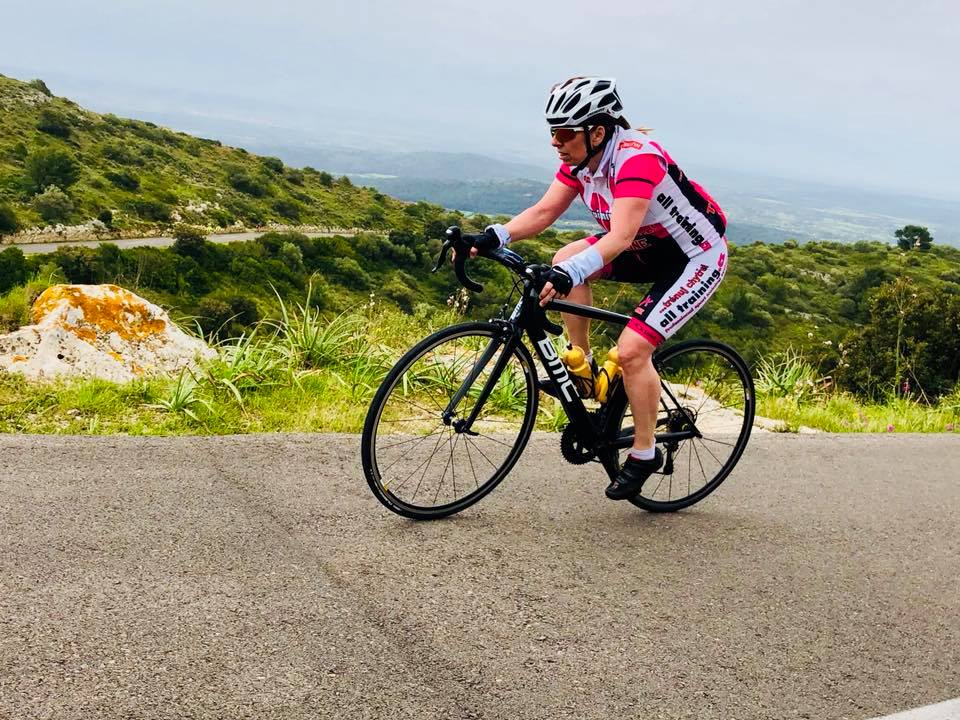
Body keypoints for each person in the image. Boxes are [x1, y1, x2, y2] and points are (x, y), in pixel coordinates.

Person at [470, 76, 729, 501]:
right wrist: (494, 236)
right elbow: (544, 211)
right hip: (647, 248)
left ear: (598, 132)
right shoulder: (582, 161)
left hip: (693, 256)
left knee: (632, 351)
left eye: (564, 132)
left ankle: (644, 452)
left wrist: (571, 274)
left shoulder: (636, 160)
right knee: (564, 259)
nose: (555, 141)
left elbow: (621, 237)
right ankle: (584, 367)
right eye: (552, 131)